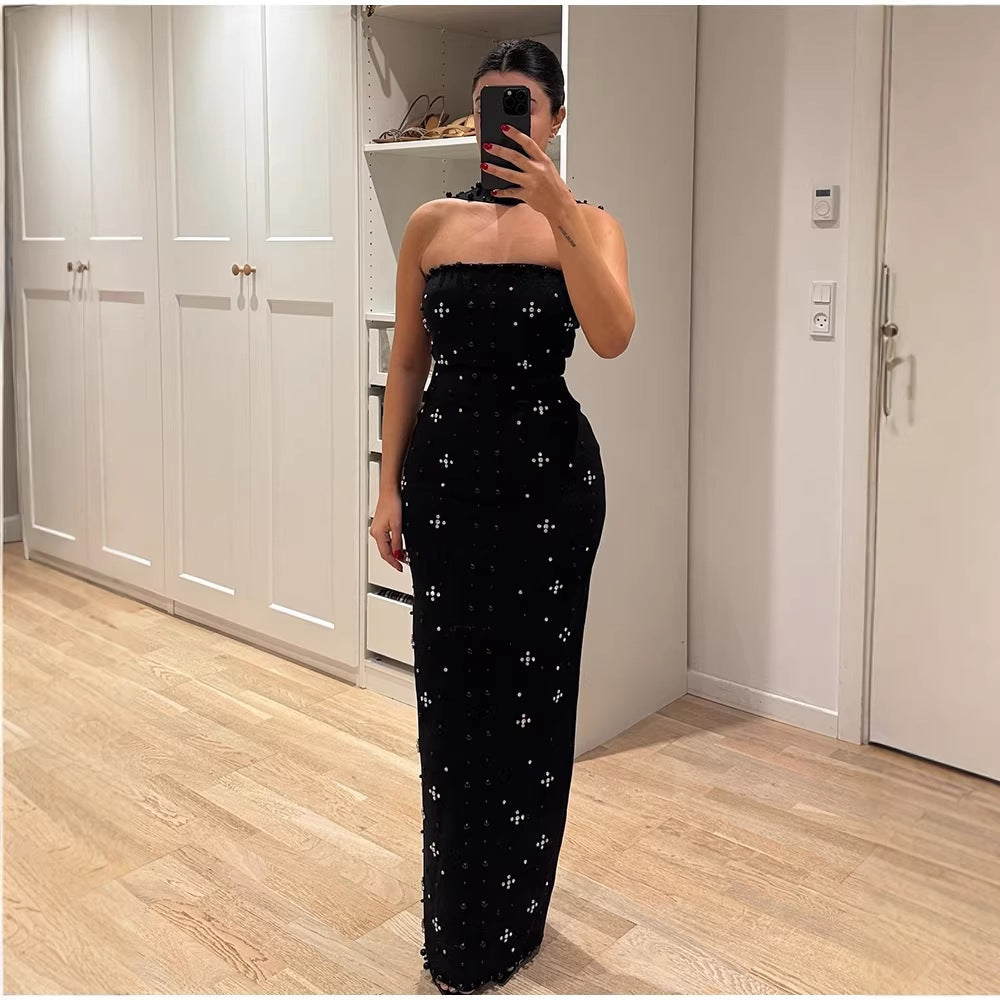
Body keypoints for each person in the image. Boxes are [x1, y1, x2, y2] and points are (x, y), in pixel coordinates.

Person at [370, 37, 635, 995]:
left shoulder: (591, 225)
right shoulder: (430, 224)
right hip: (446, 489)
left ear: (555, 120)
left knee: (535, 704)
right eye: (490, 104)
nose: (504, 122)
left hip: (549, 493)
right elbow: (408, 362)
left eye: (521, 104)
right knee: (451, 707)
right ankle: (458, 927)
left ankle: (516, 916)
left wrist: (558, 210)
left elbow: (612, 335)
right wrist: (388, 487)